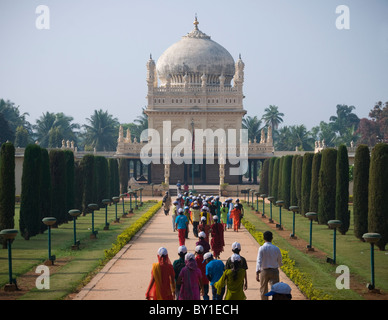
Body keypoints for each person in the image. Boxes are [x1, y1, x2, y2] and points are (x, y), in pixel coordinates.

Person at [256, 231, 283, 300]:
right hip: (274, 271)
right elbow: (279, 260)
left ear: (264, 238)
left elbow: (259, 261)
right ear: (272, 238)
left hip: (264, 271)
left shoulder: (261, 248)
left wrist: (257, 272)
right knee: (275, 290)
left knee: (263, 290)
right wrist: (279, 266)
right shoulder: (276, 249)